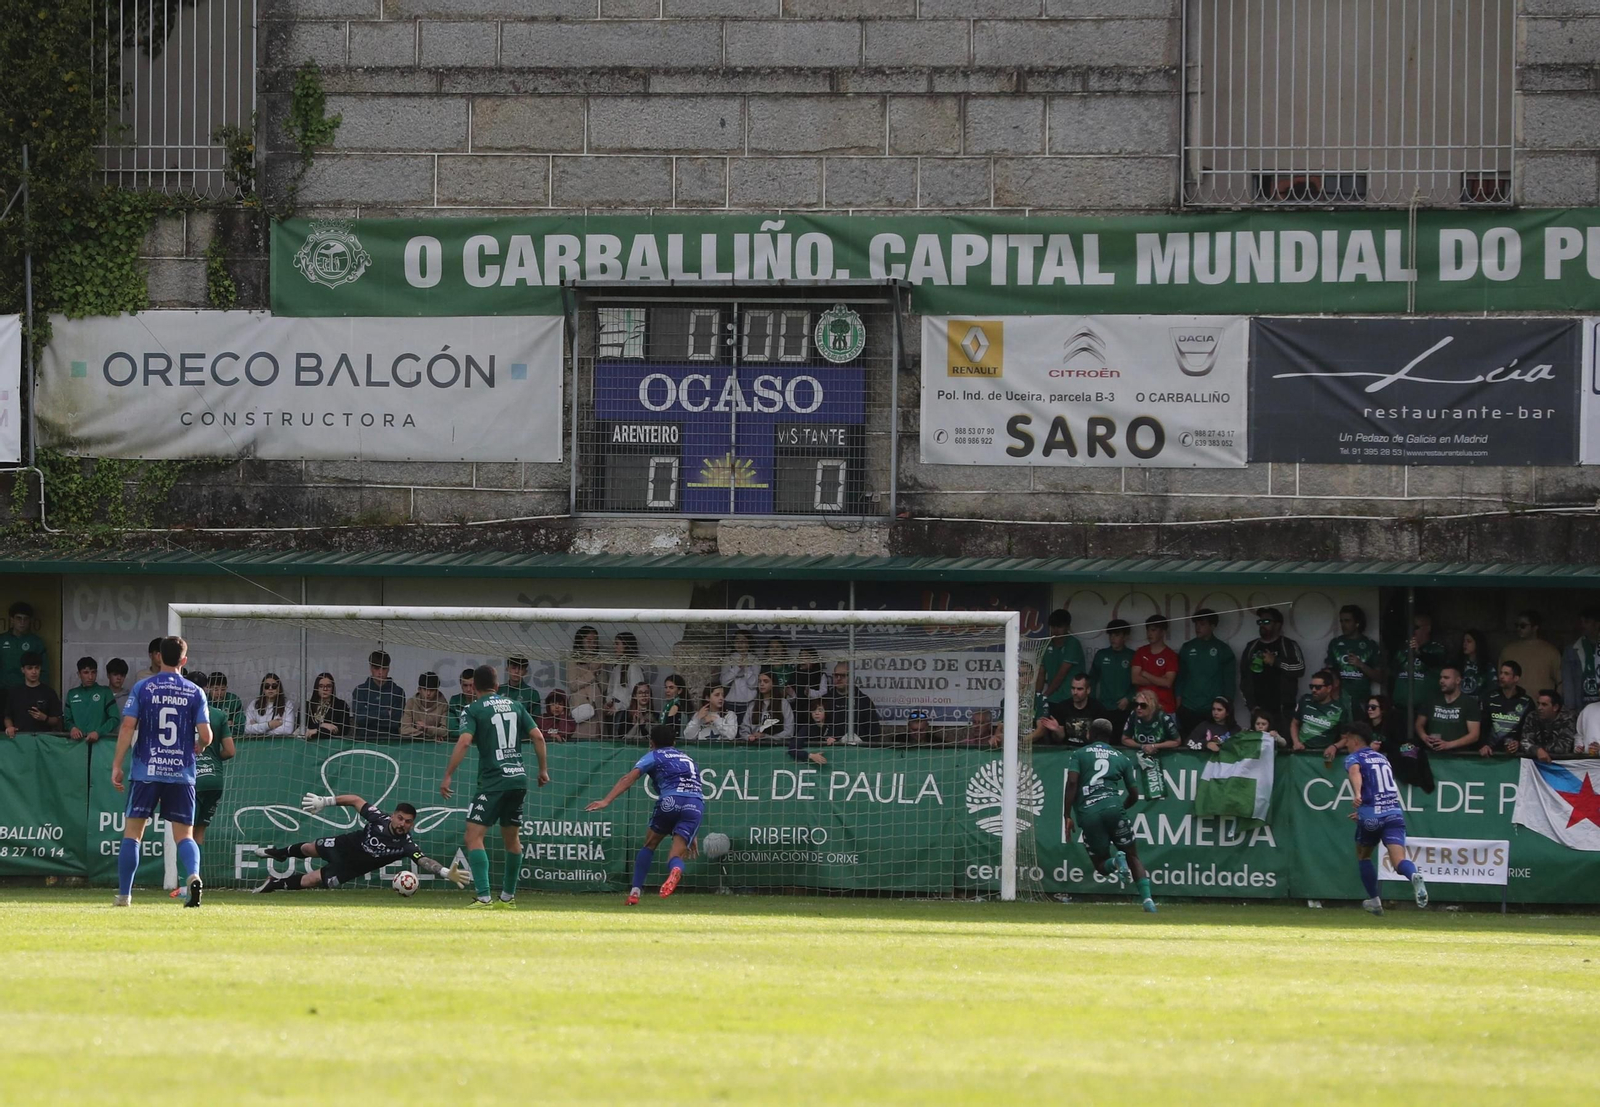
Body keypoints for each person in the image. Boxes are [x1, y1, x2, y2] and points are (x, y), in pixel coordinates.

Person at [109, 635, 212, 907]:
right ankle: (192, 876)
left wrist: (117, 764)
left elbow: (128, 727)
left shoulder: (143, 687)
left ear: (158, 657)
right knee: (184, 836)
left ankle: (124, 896)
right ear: (184, 660)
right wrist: (199, 745)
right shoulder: (195, 691)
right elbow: (207, 735)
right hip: (181, 773)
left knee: (132, 834)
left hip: (146, 770)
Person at [441, 663, 550, 908]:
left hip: (493, 780)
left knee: (473, 836)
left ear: (474, 688)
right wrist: (542, 770)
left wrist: (448, 774)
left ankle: (483, 896)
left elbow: (465, 742)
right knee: (512, 839)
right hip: (518, 779)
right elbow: (538, 736)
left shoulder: (472, 708)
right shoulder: (516, 704)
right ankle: (508, 898)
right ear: (497, 685)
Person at [254, 793, 471, 893]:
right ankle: (281, 853)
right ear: (394, 816)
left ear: (412, 825)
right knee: (308, 848)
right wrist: (325, 802)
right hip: (345, 845)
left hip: (350, 868)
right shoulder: (379, 818)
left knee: (310, 881)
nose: (402, 824)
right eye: (400, 818)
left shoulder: (406, 844)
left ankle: (275, 884)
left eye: (408, 822)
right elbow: (356, 800)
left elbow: (423, 860)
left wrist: (444, 872)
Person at [587, 723, 705, 905]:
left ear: (651, 742)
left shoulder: (654, 755)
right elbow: (692, 789)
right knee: (676, 856)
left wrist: (606, 801)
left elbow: (628, 779)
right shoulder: (688, 759)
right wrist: (693, 832)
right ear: (674, 741)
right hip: (695, 806)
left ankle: (635, 892)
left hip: (670, 801)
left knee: (649, 845)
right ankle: (675, 870)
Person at [1332, 721, 1429, 916]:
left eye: (1346, 740)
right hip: (1393, 813)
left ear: (1354, 740)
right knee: (1399, 861)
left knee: (1363, 855)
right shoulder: (1382, 759)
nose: (1345, 744)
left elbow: (1355, 772)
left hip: (1371, 816)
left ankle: (1375, 901)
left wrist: (1358, 794)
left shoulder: (1354, 757)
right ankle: (1413, 875)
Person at [1063, 718, 1157, 913]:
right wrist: (1118, 808)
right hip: (1114, 808)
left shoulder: (1079, 754)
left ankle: (1115, 861)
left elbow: (1072, 782)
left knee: (1100, 864)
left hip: (1088, 812)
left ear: (1090, 734)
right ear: (1109, 736)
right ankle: (1148, 902)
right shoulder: (1121, 758)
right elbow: (1134, 794)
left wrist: (1067, 814)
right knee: (1133, 855)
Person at [189, 672, 236, 849]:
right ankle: (196, 874)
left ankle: (185, 875)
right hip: (214, 778)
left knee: (185, 832)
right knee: (199, 832)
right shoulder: (217, 714)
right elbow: (230, 751)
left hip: (192, 778)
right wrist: (213, 756)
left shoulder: (181, 712)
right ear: (206, 688)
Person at [1239, 607, 1305, 725]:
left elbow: (1300, 668)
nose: (1262, 625)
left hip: (1283, 709)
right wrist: (1251, 706)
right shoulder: (1251, 647)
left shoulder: (1288, 645)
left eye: (1267, 622)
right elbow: (1243, 678)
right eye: (1260, 622)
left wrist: (1276, 661)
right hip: (1259, 711)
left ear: (1278, 624)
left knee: (1283, 742)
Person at [1175, 608, 1237, 735]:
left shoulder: (1223, 649)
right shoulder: (1187, 648)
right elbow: (1180, 676)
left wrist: (1227, 703)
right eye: (1196, 624)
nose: (1198, 628)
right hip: (1189, 705)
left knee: (1212, 742)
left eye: (1202, 624)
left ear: (1212, 626)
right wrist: (1178, 697)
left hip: (1212, 707)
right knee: (1188, 742)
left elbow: (1229, 680)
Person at [1326, 604, 1384, 709]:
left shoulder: (1370, 645)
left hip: (1361, 702)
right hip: (1339, 702)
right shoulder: (1335, 643)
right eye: (1341, 621)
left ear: (1357, 623)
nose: (1343, 625)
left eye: (1347, 621)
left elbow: (1380, 678)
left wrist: (1360, 664)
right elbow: (1328, 672)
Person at [1416, 664, 1482, 754]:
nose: (1441, 681)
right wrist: (1424, 737)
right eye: (1441, 677)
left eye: (1446, 678)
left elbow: (1474, 735)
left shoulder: (1469, 703)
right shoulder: (1432, 700)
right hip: (1433, 755)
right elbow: (1419, 724)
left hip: (1459, 755)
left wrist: (1448, 745)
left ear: (1458, 680)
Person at [1391, 613, 1448, 717]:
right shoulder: (1402, 650)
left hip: (1424, 712)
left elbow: (1437, 662)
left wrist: (1419, 653)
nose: (1412, 631)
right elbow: (1393, 672)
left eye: (1416, 627)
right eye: (1410, 627)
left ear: (1428, 628)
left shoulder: (1436, 649)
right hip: (1400, 709)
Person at [1037, 608, 1086, 725]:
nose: (1056, 630)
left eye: (1059, 627)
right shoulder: (1046, 644)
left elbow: (1062, 673)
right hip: (1052, 698)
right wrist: (1037, 696)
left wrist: (1045, 694)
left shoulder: (1073, 643)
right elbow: (1041, 672)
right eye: (1053, 627)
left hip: (1070, 697)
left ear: (1067, 627)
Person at [1088, 619, 1136, 735]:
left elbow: (1138, 683)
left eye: (1117, 635)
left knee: (1122, 741)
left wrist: (1128, 698)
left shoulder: (1132, 656)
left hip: (1124, 708)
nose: (1112, 638)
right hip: (1104, 707)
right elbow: (1092, 679)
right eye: (1111, 635)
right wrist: (1093, 700)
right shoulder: (1102, 655)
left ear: (1125, 637)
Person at [1501, 610, 1562, 698]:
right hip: (1512, 707)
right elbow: (1501, 681)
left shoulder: (1550, 651)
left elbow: (1560, 682)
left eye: (1523, 626)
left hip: (1540, 707)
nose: (1518, 629)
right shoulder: (1507, 651)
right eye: (1516, 625)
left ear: (1535, 627)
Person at [1482, 661, 1533, 757]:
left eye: (1506, 674)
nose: (1501, 676)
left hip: (1516, 756)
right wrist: (1483, 745)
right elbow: (1482, 725)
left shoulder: (1526, 702)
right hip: (1490, 753)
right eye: (1501, 673)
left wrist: (1519, 743)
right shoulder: (1489, 698)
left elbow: (1529, 730)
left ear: (1516, 678)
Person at [3, 652, 62, 736]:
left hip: (43, 740)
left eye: (37, 668)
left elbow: (57, 720)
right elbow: (7, 717)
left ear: (40, 669)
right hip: (19, 740)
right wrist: (9, 727)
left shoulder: (49, 692)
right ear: (23, 670)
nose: (34, 672)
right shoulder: (14, 692)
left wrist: (45, 718)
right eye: (30, 668)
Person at [1131, 614, 1179, 715]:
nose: (1149, 634)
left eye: (1153, 630)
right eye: (1148, 630)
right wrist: (1159, 680)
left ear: (1163, 632)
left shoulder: (1171, 655)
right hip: (1144, 708)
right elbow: (1135, 679)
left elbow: (1168, 683)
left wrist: (1146, 674)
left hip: (1165, 708)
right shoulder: (1141, 652)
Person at [1291, 669, 1345, 759]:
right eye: (1311, 686)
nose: (1314, 690)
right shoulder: (1305, 700)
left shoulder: (1339, 709)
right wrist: (1296, 742)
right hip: (1302, 754)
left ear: (1329, 688)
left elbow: (1346, 738)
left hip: (1325, 756)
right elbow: (1294, 723)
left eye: (1318, 687)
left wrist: (1334, 747)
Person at [823, 662, 882, 745]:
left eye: (843, 675)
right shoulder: (825, 700)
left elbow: (875, 732)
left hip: (860, 752)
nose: (838, 678)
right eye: (836, 675)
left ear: (851, 677)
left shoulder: (863, 701)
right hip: (831, 750)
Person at [351, 650, 404, 740]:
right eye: (377, 668)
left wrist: (369, 716)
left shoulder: (398, 692)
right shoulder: (360, 690)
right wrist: (385, 713)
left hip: (390, 741)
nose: (380, 672)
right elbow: (359, 719)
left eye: (384, 669)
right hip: (364, 740)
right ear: (371, 668)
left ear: (389, 668)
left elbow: (395, 722)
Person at [63, 656, 114, 745]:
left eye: (93, 672)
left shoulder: (105, 692)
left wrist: (99, 732)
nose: (90, 677)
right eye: (86, 673)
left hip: (101, 745)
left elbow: (114, 718)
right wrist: (72, 728)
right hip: (78, 745)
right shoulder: (72, 694)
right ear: (79, 674)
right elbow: (67, 720)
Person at [566, 626, 604, 740]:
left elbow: (605, 686)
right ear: (581, 641)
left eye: (595, 641)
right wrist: (592, 673)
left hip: (597, 706)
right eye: (589, 641)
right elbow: (573, 685)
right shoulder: (573, 660)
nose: (592, 644)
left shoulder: (600, 660)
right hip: (581, 708)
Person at [1561, 607, 1600, 713]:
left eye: (1587, 622)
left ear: (1597, 624)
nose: (1583, 625)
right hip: (1581, 705)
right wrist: (1570, 708)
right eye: (1581, 622)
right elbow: (1568, 681)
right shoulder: (1571, 649)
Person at [0, 601, 46, 689]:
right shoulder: (1, 640)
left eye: (25, 619)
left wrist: (40, 690)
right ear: (12, 619)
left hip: (27, 689)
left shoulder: (36, 642)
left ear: (30, 621)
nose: (22, 622)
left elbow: (44, 670)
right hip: (3, 689)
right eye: (18, 618)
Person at [1121, 689, 1181, 755]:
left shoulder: (1163, 718)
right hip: (1139, 755)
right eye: (1136, 704)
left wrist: (1154, 746)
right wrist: (1142, 746)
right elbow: (1125, 739)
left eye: (1143, 705)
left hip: (1162, 756)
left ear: (1152, 706)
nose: (1138, 708)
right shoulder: (1133, 715)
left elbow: (1177, 741)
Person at [1523, 690, 1577, 761]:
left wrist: (1538, 750)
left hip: (1563, 765)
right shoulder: (1532, 716)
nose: (1539, 708)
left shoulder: (1568, 718)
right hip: (1536, 764)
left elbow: (1563, 747)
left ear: (1555, 707)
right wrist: (1537, 750)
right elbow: (1524, 742)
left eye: (1544, 705)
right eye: (1538, 704)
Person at [1054, 673, 1105, 746]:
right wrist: (1057, 731)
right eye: (1073, 688)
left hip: (1089, 750)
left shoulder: (1098, 709)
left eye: (1079, 689)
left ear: (1088, 690)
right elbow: (1059, 740)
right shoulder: (1062, 707)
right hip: (1067, 749)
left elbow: (1100, 741)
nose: (1075, 692)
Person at [741, 670, 792, 743]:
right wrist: (749, 736)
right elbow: (744, 728)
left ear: (773, 684)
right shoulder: (752, 705)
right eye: (759, 681)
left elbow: (789, 731)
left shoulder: (783, 703)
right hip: (754, 745)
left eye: (766, 681)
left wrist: (766, 737)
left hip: (777, 746)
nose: (761, 684)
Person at [400, 671, 451, 740]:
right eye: (425, 689)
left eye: (432, 690)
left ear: (436, 691)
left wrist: (426, 728)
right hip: (414, 744)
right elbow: (404, 729)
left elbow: (445, 731)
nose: (428, 693)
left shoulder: (443, 705)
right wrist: (430, 734)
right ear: (419, 690)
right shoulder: (411, 703)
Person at [721, 630, 760, 718]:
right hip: (730, 702)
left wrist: (746, 667)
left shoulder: (754, 659)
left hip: (750, 702)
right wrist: (737, 667)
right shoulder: (728, 659)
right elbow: (724, 682)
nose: (740, 643)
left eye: (744, 641)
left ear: (749, 643)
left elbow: (753, 684)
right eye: (737, 640)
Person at [244, 672, 297, 737]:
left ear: (279, 688)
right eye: (267, 686)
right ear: (263, 689)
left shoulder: (287, 705)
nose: (270, 688)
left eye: (274, 686)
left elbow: (288, 730)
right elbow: (246, 728)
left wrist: (259, 728)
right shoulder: (254, 704)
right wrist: (269, 725)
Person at [604, 635, 643, 722]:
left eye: (617, 644)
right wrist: (609, 702)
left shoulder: (633, 667)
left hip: (625, 712)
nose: (615, 647)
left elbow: (636, 693)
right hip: (613, 711)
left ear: (626, 645)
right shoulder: (616, 666)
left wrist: (619, 706)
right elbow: (610, 689)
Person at [303, 672, 352, 740]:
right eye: (321, 686)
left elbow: (341, 730)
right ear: (316, 688)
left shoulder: (341, 705)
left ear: (332, 688)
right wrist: (322, 725)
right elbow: (302, 727)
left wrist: (317, 731)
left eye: (328, 686)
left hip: (332, 745)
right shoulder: (307, 706)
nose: (325, 689)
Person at [500, 654, 542, 724]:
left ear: (525, 672)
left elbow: (534, 722)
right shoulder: (499, 690)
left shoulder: (532, 693)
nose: (516, 671)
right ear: (507, 669)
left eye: (520, 668)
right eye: (513, 668)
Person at [207, 670, 244, 737]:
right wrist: (225, 725)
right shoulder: (204, 700)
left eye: (223, 689)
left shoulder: (234, 700)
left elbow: (240, 728)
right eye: (216, 689)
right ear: (209, 688)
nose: (219, 693)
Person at [1458, 629, 1492, 701]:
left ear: (1478, 643)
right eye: (1464, 641)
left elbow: (1492, 689)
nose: (1465, 644)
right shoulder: (1457, 664)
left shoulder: (1487, 667)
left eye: (1469, 641)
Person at [658, 672, 689, 737]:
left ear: (679, 690)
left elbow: (668, 729)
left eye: (671, 688)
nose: (667, 690)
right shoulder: (667, 705)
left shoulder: (675, 707)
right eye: (666, 687)